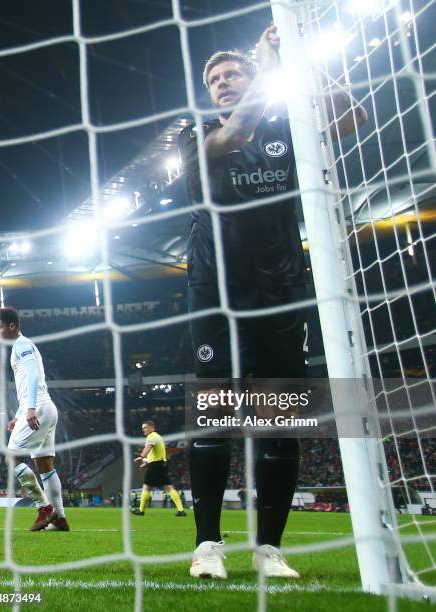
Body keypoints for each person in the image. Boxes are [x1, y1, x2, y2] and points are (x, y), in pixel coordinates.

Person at [178, 25, 367, 579]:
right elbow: (235, 137)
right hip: (216, 294)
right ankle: (208, 544)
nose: (221, 84)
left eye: (231, 73)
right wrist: (264, 64)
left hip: (282, 291)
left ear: (252, 78)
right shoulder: (199, 134)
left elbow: (350, 117)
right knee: (215, 419)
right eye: (213, 79)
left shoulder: (290, 128)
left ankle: (269, 549)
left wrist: (300, 60)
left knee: (279, 421)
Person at [0, 307, 69, 532]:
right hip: (45, 407)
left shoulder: (22, 344)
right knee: (45, 465)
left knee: (12, 457)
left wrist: (29, 409)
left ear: (12, 326)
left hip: (38, 407)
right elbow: (28, 384)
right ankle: (59, 518)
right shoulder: (20, 346)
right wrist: (19, 414)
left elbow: (33, 376)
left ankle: (44, 507)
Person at [131, 421, 186, 517]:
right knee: (169, 487)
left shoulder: (151, 437)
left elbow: (148, 447)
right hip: (162, 464)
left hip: (155, 466)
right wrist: (147, 463)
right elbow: (156, 455)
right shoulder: (158, 437)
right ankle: (181, 510)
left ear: (152, 428)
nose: (143, 429)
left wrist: (141, 456)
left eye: (145, 427)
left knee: (146, 486)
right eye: (143, 428)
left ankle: (141, 510)